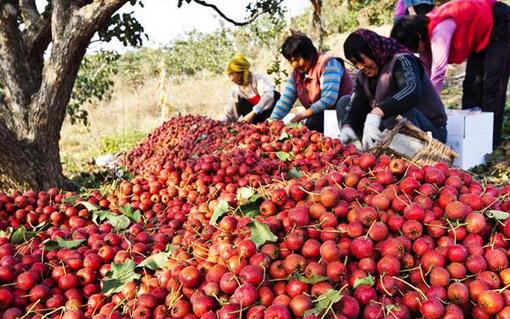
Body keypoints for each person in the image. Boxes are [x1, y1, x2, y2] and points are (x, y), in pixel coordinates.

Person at [391, 0, 510, 148]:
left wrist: (430, 109)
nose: (415, 51)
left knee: (492, 85)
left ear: (417, 36)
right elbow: (426, 76)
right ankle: (472, 138)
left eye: (413, 47)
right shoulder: (424, 38)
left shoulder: (440, 30)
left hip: (498, 21)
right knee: (471, 87)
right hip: (479, 32)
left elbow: (438, 74)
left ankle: (491, 142)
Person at [338, 29, 447, 150]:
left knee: (400, 115)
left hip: (428, 130)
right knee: (344, 103)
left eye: (361, 60)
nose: (360, 67)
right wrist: (347, 125)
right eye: (355, 63)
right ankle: (360, 152)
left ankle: (382, 152)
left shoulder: (402, 60)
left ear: (373, 51)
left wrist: (377, 112)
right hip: (388, 128)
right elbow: (357, 104)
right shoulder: (362, 76)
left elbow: (412, 92)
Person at [269, 33, 353, 133]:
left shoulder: (329, 64)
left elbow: (329, 99)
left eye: (298, 59)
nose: (295, 65)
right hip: (319, 116)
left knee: (312, 124)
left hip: (345, 113)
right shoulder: (297, 74)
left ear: (309, 53)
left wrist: (300, 116)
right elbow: (285, 100)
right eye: (291, 61)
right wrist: (271, 121)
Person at [222, 54, 280, 124]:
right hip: (257, 119)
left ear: (240, 73)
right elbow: (230, 111)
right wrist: (221, 123)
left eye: (232, 74)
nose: (231, 79)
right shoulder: (236, 90)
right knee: (240, 103)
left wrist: (253, 113)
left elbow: (268, 96)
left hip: (273, 113)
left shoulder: (257, 78)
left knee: (274, 95)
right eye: (229, 76)